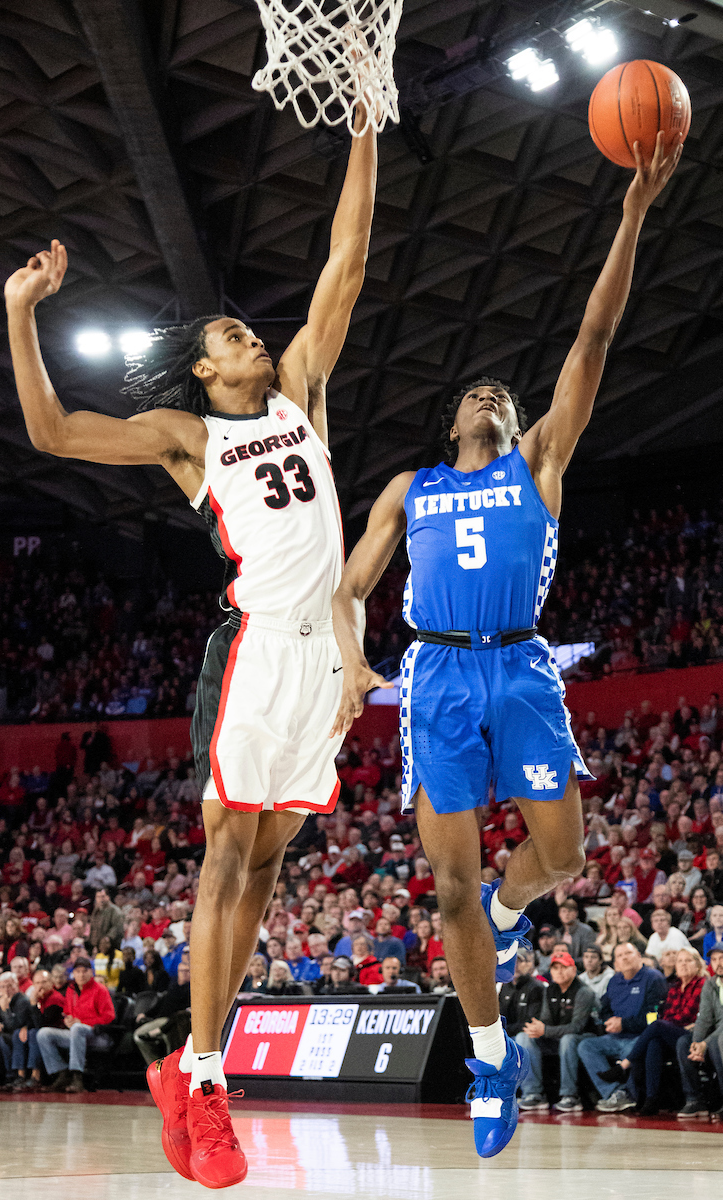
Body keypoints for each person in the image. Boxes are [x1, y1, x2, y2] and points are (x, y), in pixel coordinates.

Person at [6, 99, 378, 1191]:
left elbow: (347, 259)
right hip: (258, 648)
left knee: (265, 869)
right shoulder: (191, 436)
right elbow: (53, 433)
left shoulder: (301, 392)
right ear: (204, 375)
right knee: (226, 859)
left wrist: (363, 128)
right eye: (228, 339)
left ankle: (190, 1066)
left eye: (249, 332)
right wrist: (21, 314)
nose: (250, 337)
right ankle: (206, 1083)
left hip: (320, 662)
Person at [330, 133, 681, 1158]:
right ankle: (492, 1060)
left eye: (504, 395)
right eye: (476, 394)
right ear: (452, 420)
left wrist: (629, 216)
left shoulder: (537, 461)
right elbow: (350, 586)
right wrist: (353, 660)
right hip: (434, 673)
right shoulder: (411, 488)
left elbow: (595, 336)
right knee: (441, 890)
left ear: (521, 422)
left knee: (560, 857)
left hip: (521, 667)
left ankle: (510, 900)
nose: (490, 396)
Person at [606, 948, 707, 1116]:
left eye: (688, 960)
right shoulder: (674, 988)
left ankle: (624, 1065)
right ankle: (651, 1100)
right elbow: (668, 1016)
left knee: (657, 1025)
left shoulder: (702, 984)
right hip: (674, 1031)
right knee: (654, 1042)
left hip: (692, 1034)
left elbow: (687, 1016)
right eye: (680, 961)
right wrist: (670, 1024)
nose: (683, 964)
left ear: (698, 965)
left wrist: (671, 1024)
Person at [578, 942, 667, 1112]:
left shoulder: (653, 978)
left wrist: (624, 1024)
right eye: (619, 955)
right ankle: (615, 1093)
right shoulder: (615, 981)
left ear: (639, 956)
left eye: (628, 953)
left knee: (634, 1051)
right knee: (586, 1045)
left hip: (641, 1036)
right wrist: (609, 1021)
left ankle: (632, 1096)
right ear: (615, 963)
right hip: (615, 1036)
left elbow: (654, 1017)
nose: (624, 958)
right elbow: (603, 1009)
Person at [516, 949, 596, 1113]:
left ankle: (570, 1096)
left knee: (568, 1039)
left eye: (563, 967)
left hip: (584, 1038)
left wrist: (545, 1030)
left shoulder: (584, 991)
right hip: (556, 1037)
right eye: (555, 968)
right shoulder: (550, 989)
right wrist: (539, 1029)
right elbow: (545, 1019)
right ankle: (533, 1094)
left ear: (573, 970)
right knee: (524, 1037)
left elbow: (577, 1027)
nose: (559, 972)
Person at [35, 956, 115, 1093]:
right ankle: (61, 1073)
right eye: (78, 971)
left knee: (77, 1028)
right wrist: (67, 1019)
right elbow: (67, 1011)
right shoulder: (71, 990)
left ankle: (77, 1077)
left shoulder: (100, 990)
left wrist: (81, 1022)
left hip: (97, 1035)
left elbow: (109, 1017)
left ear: (91, 972)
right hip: (76, 1033)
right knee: (43, 1033)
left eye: (85, 971)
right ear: (74, 973)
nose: (81, 975)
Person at [676, 940, 723, 1118]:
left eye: (722, 958)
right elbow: (704, 1017)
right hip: (714, 1032)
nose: (719, 963)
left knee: (717, 1042)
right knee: (683, 1042)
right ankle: (694, 1099)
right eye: (715, 959)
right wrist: (696, 1043)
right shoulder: (710, 984)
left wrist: (706, 1042)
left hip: (719, 1036)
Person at [134, 961, 192, 1066]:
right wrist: (145, 1014)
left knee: (170, 1035)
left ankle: (171, 1067)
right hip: (160, 1019)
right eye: (181, 971)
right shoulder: (172, 987)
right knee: (138, 1036)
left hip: (175, 1021)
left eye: (187, 971)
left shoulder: (191, 990)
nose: (183, 973)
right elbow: (159, 1005)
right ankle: (155, 1066)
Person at [0, 972, 32, 1091]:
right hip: (9, 1034)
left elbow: (17, 1025)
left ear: (16, 985)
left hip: (22, 1035)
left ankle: (12, 1075)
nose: (6, 989)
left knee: (2, 1038)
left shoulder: (22, 999)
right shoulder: (2, 1000)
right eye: (3, 986)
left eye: (9, 985)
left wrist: (7, 1009)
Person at [498, 948, 545, 1036]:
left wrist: (505, 1031)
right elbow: (500, 1015)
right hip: (507, 1034)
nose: (515, 965)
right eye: (512, 962)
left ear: (529, 964)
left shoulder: (536, 987)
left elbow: (530, 1022)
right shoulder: (505, 986)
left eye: (519, 961)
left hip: (526, 1035)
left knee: (522, 1037)